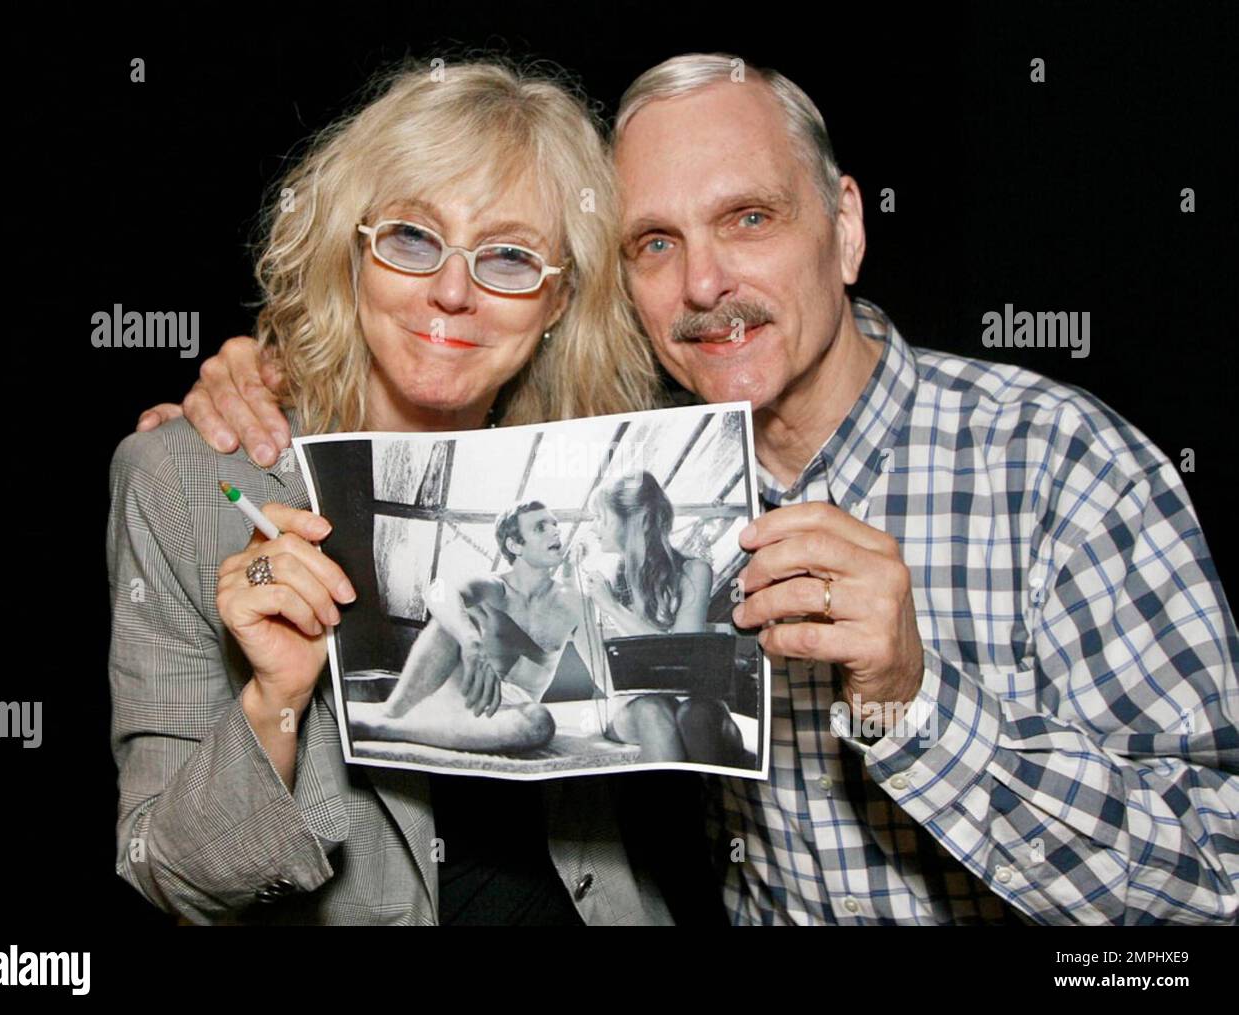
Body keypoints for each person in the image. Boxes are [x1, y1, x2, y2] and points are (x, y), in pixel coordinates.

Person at [140, 53, 1238, 925]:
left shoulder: (1055, 467)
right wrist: (266, 379)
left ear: (846, 227)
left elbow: (1212, 879)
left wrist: (914, 698)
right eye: (655, 243)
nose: (704, 282)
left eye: (749, 219)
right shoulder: (632, 471)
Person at [108, 57, 680, 927]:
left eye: (510, 256)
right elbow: (168, 875)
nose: (452, 290)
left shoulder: (593, 467)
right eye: (413, 238)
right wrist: (274, 703)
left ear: (560, 298)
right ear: (354, 251)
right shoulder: (183, 480)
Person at [348, 501, 604, 753]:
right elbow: (437, 591)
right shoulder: (493, 587)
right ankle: (390, 713)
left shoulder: (574, 601)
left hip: (506, 713)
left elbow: (602, 669)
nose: (555, 530)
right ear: (514, 545)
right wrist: (471, 641)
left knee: (539, 722)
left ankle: (387, 727)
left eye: (554, 524)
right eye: (540, 527)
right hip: (456, 692)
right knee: (453, 618)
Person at [581, 471, 744, 764]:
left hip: (691, 700)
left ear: (635, 520)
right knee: (654, 709)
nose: (594, 528)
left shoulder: (694, 572)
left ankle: (717, 802)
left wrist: (613, 608)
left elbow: (683, 656)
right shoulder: (610, 579)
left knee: (695, 715)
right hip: (638, 704)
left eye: (600, 518)